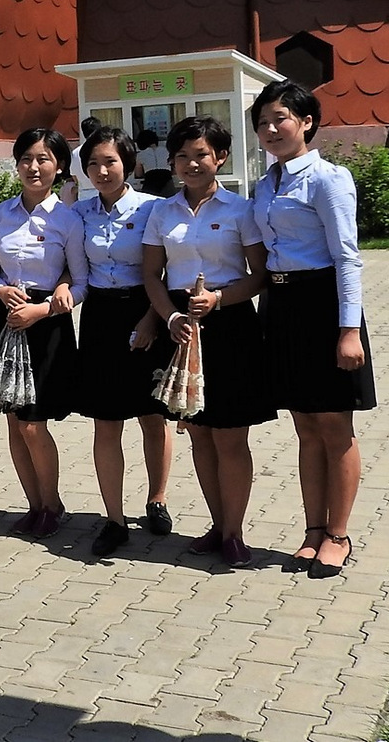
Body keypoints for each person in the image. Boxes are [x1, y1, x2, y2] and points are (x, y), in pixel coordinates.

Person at [249, 79, 376, 580]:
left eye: (280, 118)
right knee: (304, 426)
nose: (271, 129)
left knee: (334, 427)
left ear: (306, 123)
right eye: (262, 123)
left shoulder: (328, 178)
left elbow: (348, 258)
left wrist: (349, 331)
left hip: (323, 304)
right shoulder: (266, 184)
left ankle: (339, 534)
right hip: (280, 305)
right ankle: (312, 531)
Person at [142, 116, 272, 568]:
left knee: (231, 437)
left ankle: (234, 532)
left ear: (221, 157)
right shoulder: (161, 212)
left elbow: (259, 276)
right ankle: (217, 524)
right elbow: (151, 276)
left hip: (231, 325)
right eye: (182, 156)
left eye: (201, 154)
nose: (191, 163)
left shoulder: (241, 210)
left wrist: (218, 299)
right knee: (198, 434)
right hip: (180, 328)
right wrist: (170, 315)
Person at [0, 128, 88, 538]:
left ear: (59, 166)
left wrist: (42, 310)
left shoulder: (68, 219)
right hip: (5, 321)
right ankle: (34, 505)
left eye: (43, 159)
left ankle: (53, 503)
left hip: (46, 326)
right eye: (26, 158)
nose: (33, 166)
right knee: (12, 420)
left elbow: (81, 283)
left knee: (33, 424)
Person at [73, 128, 169, 557]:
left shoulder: (154, 209)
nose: (101, 171)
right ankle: (113, 518)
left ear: (127, 164)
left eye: (110, 162)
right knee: (106, 421)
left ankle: (157, 500)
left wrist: (151, 319)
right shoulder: (79, 214)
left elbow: (165, 272)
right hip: (99, 319)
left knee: (152, 414)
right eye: (93, 163)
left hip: (146, 311)